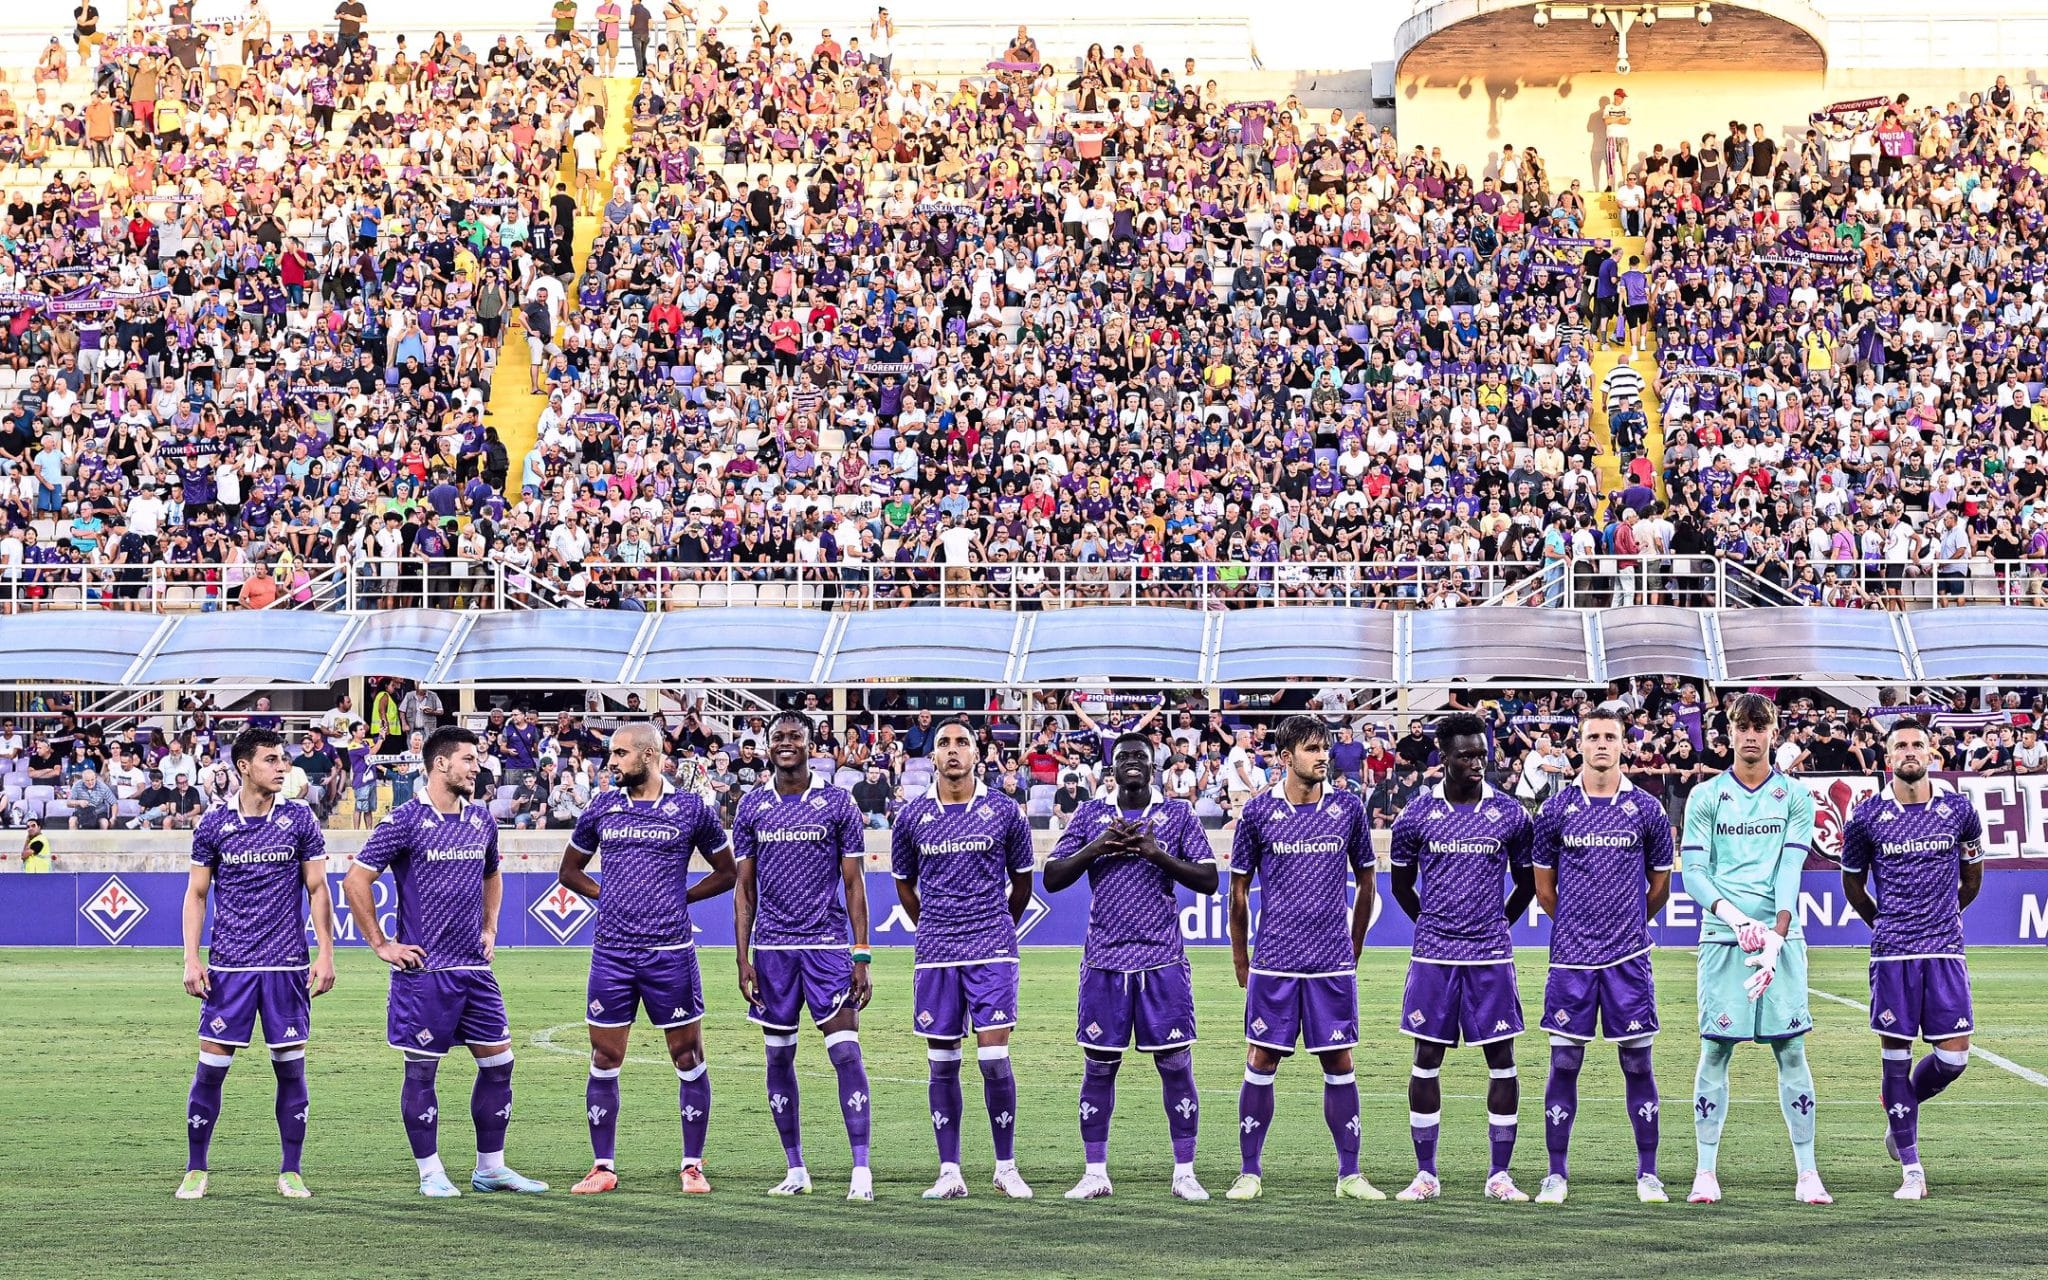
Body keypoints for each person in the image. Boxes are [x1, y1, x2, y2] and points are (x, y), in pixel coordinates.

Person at [342, 727, 549, 1198]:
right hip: (424, 973)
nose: (478, 767)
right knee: (422, 1071)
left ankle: (490, 1168)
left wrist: (490, 927)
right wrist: (381, 945)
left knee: (500, 1064)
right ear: (441, 764)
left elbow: (493, 874)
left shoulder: (481, 819)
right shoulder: (404, 820)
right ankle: (430, 1171)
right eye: (469, 759)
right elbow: (356, 881)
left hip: (474, 970)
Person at [558, 723, 735, 1195]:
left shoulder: (690, 808)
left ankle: (692, 1166)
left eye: (619, 754)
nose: (610, 762)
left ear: (651, 756)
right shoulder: (602, 806)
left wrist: (683, 899)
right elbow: (569, 870)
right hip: (612, 952)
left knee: (688, 1055)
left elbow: (727, 872)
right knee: (604, 1055)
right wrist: (607, 896)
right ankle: (602, 1167)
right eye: (610, 754)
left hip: (670, 953)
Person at [1043, 731, 1218, 1202]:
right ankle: (1095, 1172)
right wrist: (1096, 847)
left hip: (1162, 959)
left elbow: (1209, 879)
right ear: (1111, 769)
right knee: (1099, 1068)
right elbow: (1052, 877)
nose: (1134, 763)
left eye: (1142, 756)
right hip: (1104, 960)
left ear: (1156, 765)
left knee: (1176, 1065)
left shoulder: (1178, 814)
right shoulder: (1091, 815)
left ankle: (1185, 1172)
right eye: (1125, 758)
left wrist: (1156, 853)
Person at [1225, 714, 1380, 1202]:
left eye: (1325, 749)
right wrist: (1241, 958)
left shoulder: (1349, 810)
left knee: (1339, 1059)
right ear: (1286, 757)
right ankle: (1249, 1171)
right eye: (1313, 749)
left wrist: (1353, 948)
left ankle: (1350, 1174)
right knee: (1261, 1058)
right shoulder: (1257, 814)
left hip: (1330, 963)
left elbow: (1369, 880)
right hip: (1274, 962)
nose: (1323, 757)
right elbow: (1238, 890)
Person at [1679, 693, 1826, 1206]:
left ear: (1773, 732)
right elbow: (1694, 872)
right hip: (1724, 936)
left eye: (1759, 727)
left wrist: (1776, 935)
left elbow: (1790, 869)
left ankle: (1807, 1173)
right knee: (1715, 1048)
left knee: (1791, 1048)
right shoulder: (1705, 796)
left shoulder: (1796, 796)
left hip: (1781, 938)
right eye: (1742, 726)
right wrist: (1738, 920)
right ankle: (1705, 1171)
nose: (1750, 735)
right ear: (1729, 729)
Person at [176, 728, 334, 1200]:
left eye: (283, 759)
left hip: (287, 965)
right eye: (271, 759)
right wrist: (191, 958)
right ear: (244, 766)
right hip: (230, 966)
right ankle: (195, 1168)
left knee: (291, 1069)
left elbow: (318, 888)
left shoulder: (301, 819)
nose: (281, 767)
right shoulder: (213, 824)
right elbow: (197, 894)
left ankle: (291, 1170)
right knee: (210, 1068)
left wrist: (325, 952)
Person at [1388, 711, 1537, 1202]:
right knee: (1426, 1057)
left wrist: (1497, 924)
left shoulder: (1512, 814)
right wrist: (1433, 925)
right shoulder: (1415, 815)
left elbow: (1527, 883)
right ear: (1443, 758)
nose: (1478, 761)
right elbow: (1402, 886)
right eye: (1466, 754)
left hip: (1490, 954)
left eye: (1482, 752)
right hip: (1434, 955)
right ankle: (1426, 1174)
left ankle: (1500, 1175)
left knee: (1502, 1059)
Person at [1529, 708, 1674, 1204]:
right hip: (1571, 959)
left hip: (1628, 959)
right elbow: (1544, 891)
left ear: (1624, 744)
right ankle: (1556, 1174)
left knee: (1638, 1065)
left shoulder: (1648, 810)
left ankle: (1648, 1173)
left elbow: (1659, 888)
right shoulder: (1553, 811)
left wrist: (1625, 924)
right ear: (1579, 745)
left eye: (1611, 737)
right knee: (1564, 1062)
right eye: (1593, 737)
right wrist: (1578, 927)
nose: (1602, 745)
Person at [891, 715, 1036, 1200]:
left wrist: (993, 925)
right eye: (944, 743)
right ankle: (949, 1171)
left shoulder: (1005, 811)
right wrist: (934, 925)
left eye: (962, 742)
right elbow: (903, 885)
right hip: (936, 953)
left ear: (977, 754)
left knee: (994, 1059)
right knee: (942, 1064)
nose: (953, 750)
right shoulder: (911, 816)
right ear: (932, 756)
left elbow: (1022, 885)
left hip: (992, 949)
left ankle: (1006, 1166)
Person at [731, 712, 875, 1199]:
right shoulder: (752, 806)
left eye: (795, 737)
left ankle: (861, 1172)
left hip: (828, 948)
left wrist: (862, 954)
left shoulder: (837, 803)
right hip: (772, 952)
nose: (786, 744)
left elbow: (854, 883)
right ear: (767, 746)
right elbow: (743, 890)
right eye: (778, 738)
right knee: (777, 1061)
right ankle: (795, 1169)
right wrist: (742, 958)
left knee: (846, 1055)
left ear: (813, 746)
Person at [1840, 718, 1985, 1200]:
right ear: (1886, 758)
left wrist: (1944, 915)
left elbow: (1972, 876)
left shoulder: (1960, 811)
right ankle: (1912, 1169)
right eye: (1899, 745)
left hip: (1944, 949)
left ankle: (1897, 1109)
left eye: (1917, 744)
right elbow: (1853, 884)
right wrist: (1882, 923)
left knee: (1953, 1058)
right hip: (1893, 954)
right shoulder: (1864, 818)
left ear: (1932, 753)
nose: (1909, 751)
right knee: (1896, 1057)